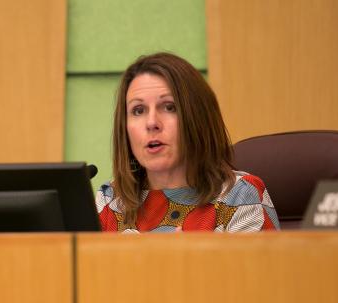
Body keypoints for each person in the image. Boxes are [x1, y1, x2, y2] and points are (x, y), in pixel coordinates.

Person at [96, 52, 279, 232]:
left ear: (197, 117)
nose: (151, 122)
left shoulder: (238, 195)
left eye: (169, 107)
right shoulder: (111, 199)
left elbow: (255, 263)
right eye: (138, 110)